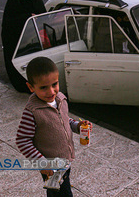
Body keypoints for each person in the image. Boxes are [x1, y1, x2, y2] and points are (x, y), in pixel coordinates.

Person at [16, 57, 92, 196]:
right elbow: (22, 140)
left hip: (65, 160)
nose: (51, 92)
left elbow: (65, 121)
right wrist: (42, 163)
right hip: (50, 165)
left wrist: (78, 126)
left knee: (58, 190)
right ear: (31, 87)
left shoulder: (61, 99)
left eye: (54, 84)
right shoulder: (32, 112)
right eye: (43, 87)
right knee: (61, 193)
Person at [1, 0, 46, 93]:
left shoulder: (31, 5)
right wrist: (25, 17)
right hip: (14, 41)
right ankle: (20, 84)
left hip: (31, 41)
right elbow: (9, 25)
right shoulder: (11, 9)